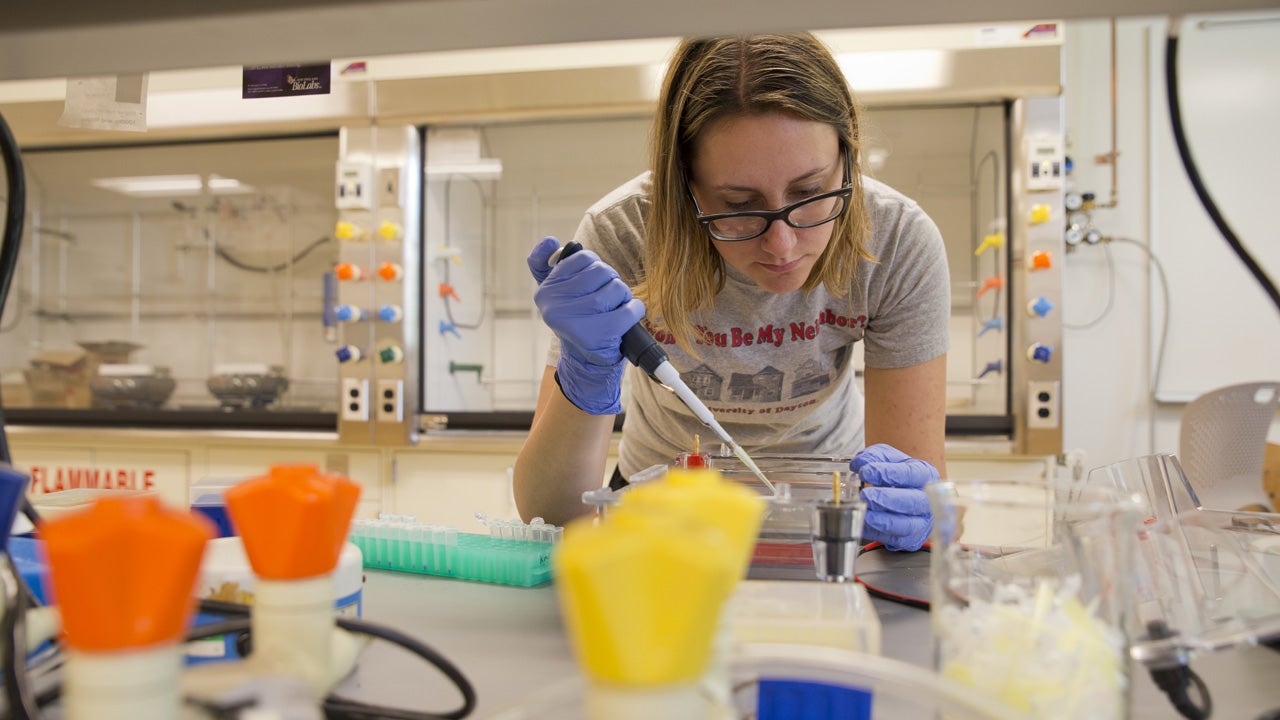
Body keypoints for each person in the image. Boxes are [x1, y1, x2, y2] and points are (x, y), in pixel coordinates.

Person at [513, 32, 948, 551]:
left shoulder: (896, 238)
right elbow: (550, 514)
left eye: (810, 193)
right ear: (685, 186)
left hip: (826, 504)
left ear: (849, 158)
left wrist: (926, 514)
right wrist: (584, 374)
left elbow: (935, 518)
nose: (782, 245)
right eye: (740, 204)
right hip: (661, 512)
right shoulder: (624, 235)